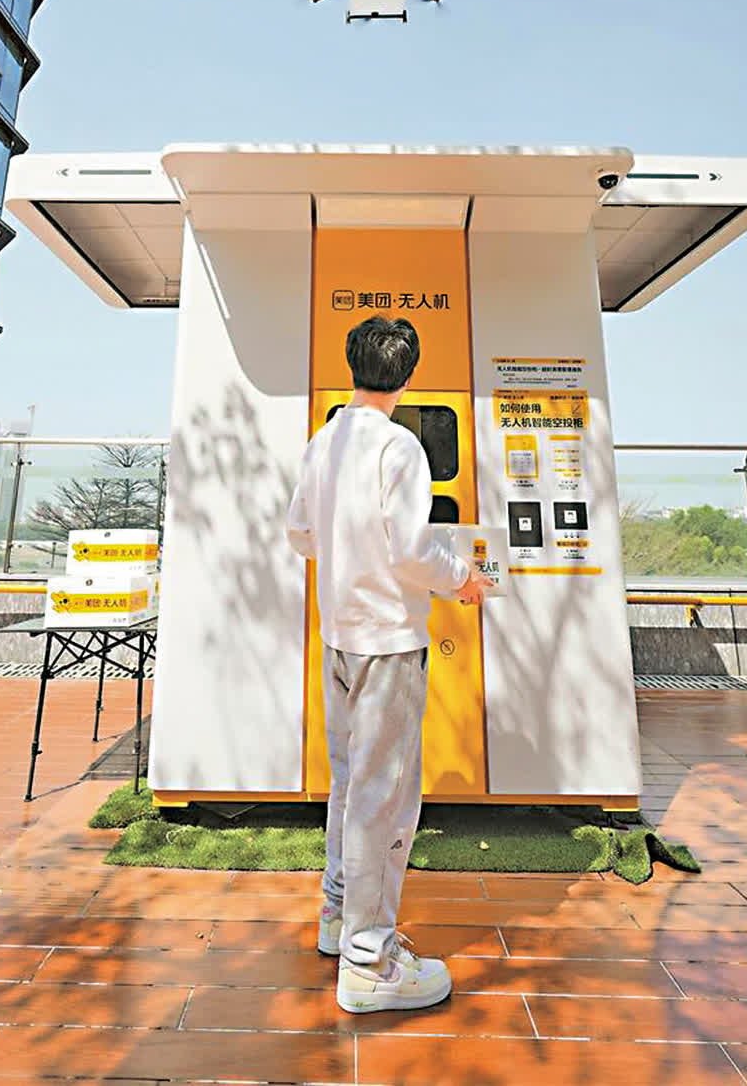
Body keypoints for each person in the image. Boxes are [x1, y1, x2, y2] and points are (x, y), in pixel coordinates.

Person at [286, 315, 486, 1014]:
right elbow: (410, 550)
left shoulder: (324, 442)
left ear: (353, 367)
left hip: (338, 638)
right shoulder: (400, 447)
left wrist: (348, 550)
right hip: (390, 645)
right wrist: (462, 577)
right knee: (386, 798)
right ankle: (370, 963)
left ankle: (338, 917)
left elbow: (300, 534)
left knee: (351, 784)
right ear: (406, 377)